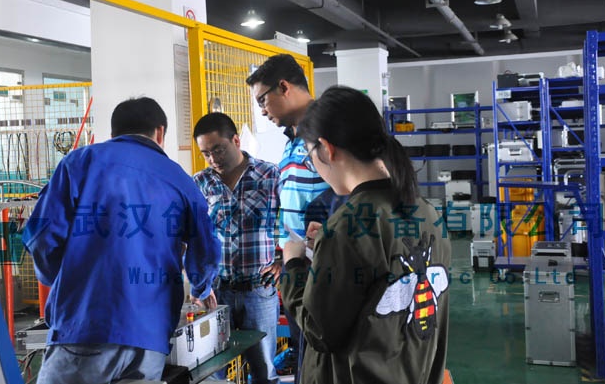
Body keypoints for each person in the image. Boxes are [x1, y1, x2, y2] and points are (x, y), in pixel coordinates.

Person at [23, 97, 221, 384]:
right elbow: (207, 250)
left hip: (85, 327)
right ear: (160, 132)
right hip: (149, 339)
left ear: (114, 131)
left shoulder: (79, 163)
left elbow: (41, 235)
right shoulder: (180, 179)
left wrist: (62, 280)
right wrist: (201, 288)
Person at [281, 86, 451, 384]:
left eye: (310, 156)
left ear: (326, 149)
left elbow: (319, 331)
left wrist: (293, 266)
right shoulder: (428, 213)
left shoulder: (346, 226)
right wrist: (328, 248)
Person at [246, 54, 330, 381]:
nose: (262, 111)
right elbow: (292, 201)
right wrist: (285, 252)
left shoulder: (326, 131)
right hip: (299, 267)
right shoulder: (292, 140)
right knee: (305, 353)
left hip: (327, 266)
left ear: (284, 87)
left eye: (263, 100)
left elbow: (354, 194)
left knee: (323, 357)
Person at [192, 112, 281, 384]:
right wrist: (200, 285)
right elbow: (193, 237)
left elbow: (291, 223)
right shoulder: (200, 183)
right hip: (217, 293)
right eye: (206, 153)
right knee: (211, 371)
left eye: (218, 149)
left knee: (264, 370)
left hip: (259, 290)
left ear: (236, 140)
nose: (213, 159)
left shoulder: (270, 175)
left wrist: (282, 261)